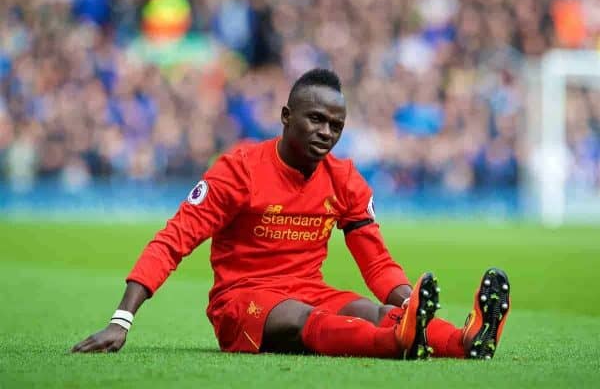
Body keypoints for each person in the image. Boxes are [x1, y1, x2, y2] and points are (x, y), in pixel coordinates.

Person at [72, 69, 511, 360]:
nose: (326, 133)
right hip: (242, 302)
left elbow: (375, 260)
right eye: (316, 119)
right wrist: (121, 318)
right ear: (286, 116)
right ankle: (398, 343)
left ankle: (467, 341)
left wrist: (406, 301)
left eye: (335, 126)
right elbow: (174, 240)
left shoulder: (345, 179)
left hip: (308, 289)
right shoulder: (239, 169)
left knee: (377, 312)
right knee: (310, 320)